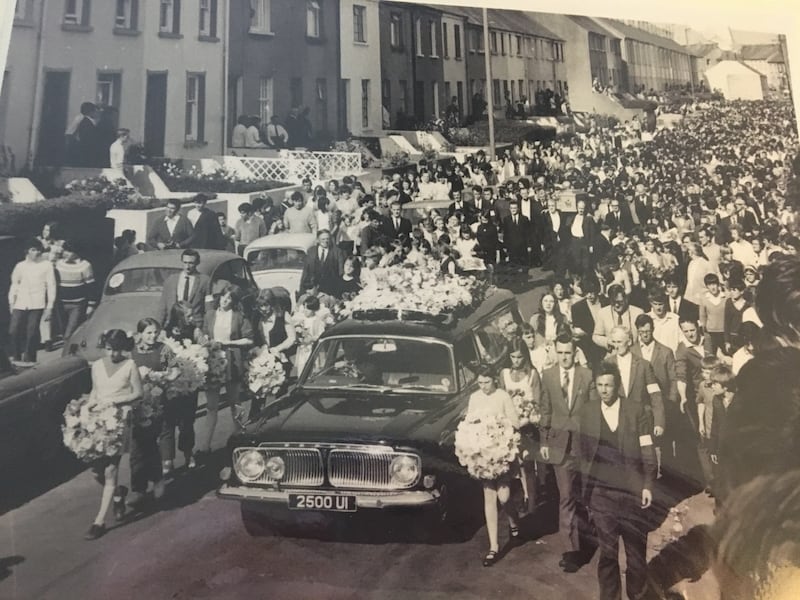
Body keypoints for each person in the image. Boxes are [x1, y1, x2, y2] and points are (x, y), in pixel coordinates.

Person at [577, 362, 656, 600]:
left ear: (617, 386)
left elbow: (647, 450)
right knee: (608, 555)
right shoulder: (588, 412)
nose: (604, 390)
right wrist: (586, 493)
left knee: (636, 556)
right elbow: (582, 453)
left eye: (608, 385)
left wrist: (648, 485)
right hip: (601, 496)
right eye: (600, 385)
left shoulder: (636, 410)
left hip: (631, 493)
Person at [539, 335, 596, 572]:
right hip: (559, 445)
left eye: (568, 353)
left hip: (584, 446)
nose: (564, 357)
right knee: (566, 497)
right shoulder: (549, 375)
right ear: (555, 352)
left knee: (587, 496)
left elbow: (594, 410)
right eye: (560, 353)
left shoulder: (587, 375)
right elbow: (545, 409)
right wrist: (543, 440)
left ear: (575, 353)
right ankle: (572, 551)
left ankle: (592, 539)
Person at [85, 329, 143, 540]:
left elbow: (138, 393)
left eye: (116, 350)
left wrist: (115, 402)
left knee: (111, 469)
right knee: (96, 472)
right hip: (98, 422)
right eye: (109, 349)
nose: (112, 354)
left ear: (124, 349)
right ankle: (118, 493)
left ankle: (99, 522)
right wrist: (89, 405)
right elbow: (95, 391)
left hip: (120, 421)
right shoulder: (98, 366)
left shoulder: (130, 366)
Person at [465, 364, 521, 567]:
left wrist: (499, 428)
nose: (483, 386)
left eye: (487, 382)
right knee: (489, 496)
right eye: (480, 382)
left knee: (504, 497)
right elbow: (470, 424)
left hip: (502, 453)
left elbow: (515, 423)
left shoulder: (503, 396)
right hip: (484, 456)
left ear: (494, 380)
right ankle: (494, 546)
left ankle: (514, 520)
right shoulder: (474, 398)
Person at [197, 284, 253, 458]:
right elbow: (204, 334)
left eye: (229, 299)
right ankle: (205, 446)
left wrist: (229, 344)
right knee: (212, 406)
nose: (225, 301)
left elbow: (249, 339)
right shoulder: (210, 314)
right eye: (223, 297)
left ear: (234, 301)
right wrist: (205, 341)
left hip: (231, 361)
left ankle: (240, 440)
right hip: (213, 360)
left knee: (234, 403)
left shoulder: (238, 316)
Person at [128, 318, 169, 511]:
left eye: (155, 332)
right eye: (148, 333)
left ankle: (158, 480)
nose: (153, 336)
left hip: (158, 403)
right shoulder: (132, 353)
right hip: (136, 404)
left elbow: (175, 370)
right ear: (140, 334)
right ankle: (138, 488)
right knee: (136, 448)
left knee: (151, 444)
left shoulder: (164, 349)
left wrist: (158, 376)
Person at [500, 338, 542, 513]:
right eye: (512, 357)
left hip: (528, 425)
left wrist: (527, 418)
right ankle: (523, 494)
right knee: (514, 463)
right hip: (509, 425)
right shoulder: (504, 373)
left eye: (519, 357)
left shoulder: (532, 374)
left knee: (527, 462)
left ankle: (531, 500)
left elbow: (537, 402)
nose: (516, 361)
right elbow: (502, 397)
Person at [7, 239, 57, 363]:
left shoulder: (46, 265)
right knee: (13, 330)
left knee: (32, 332)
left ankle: (29, 359)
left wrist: (50, 306)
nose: (37, 252)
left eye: (38, 250)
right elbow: (14, 284)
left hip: (37, 303)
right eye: (33, 250)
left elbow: (51, 285)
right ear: (27, 251)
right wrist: (11, 302)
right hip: (20, 303)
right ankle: (16, 357)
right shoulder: (20, 266)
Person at [157, 249, 212, 330]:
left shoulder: (205, 280)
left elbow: (209, 308)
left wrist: (206, 331)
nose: (187, 266)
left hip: (195, 325)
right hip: (172, 325)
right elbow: (162, 307)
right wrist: (158, 328)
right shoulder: (171, 280)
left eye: (191, 263)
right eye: (185, 262)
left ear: (197, 263)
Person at [56, 240, 97, 341]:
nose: (66, 253)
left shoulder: (85, 265)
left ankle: (67, 352)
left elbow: (91, 286)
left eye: (69, 251)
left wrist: (91, 305)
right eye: (65, 250)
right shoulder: (59, 264)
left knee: (69, 334)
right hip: (61, 303)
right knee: (62, 330)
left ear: (76, 252)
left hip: (77, 304)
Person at [591, 284, 644, 352]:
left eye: (619, 302)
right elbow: (596, 336)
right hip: (613, 355)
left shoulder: (638, 312)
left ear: (626, 299)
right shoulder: (603, 313)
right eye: (613, 302)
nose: (616, 305)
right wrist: (607, 341)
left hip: (634, 354)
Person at [299, 229, 346, 298]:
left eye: (327, 239)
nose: (326, 241)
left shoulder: (337, 252)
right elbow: (306, 272)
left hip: (331, 290)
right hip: (313, 290)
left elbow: (341, 272)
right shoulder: (311, 251)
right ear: (318, 240)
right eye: (323, 239)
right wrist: (302, 292)